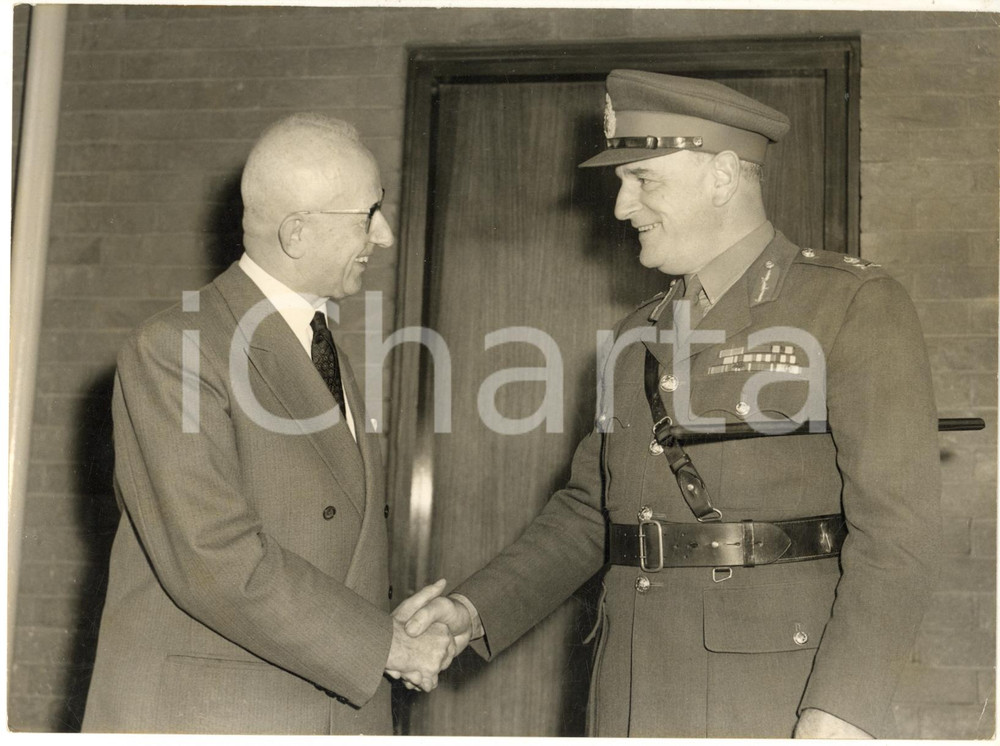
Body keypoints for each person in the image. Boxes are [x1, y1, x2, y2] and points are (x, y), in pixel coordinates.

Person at [403, 70, 942, 738]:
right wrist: (472, 610)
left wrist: (844, 709)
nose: (621, 207)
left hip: (778, 697)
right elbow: (590, 512)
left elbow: (898, 534)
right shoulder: (638, 333)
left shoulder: (850, 305)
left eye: (642, 179)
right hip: (634, 688)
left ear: (722, 175)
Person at [82, 113, 456, 735]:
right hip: (219, 716)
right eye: (369, 214)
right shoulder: (177, 347)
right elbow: (215, 556)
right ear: (296, 232)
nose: (385, 235)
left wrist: (388, 632)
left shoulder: (318, 343)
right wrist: (386, 645)